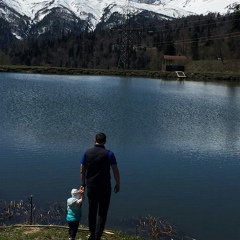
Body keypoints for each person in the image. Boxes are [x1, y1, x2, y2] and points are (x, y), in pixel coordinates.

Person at [80, 132, 120, 240]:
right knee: (102, 212)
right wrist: (118, 183)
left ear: (94, 140)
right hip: (105, 187)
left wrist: (83, 184)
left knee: (92, 210)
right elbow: (115, 170)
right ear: (105, 141)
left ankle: (92, 234)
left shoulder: (87, 153)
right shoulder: (109, 154)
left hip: (91, 186)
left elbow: (82, 170)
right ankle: (98, 236)